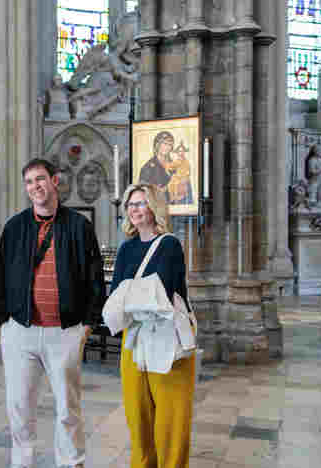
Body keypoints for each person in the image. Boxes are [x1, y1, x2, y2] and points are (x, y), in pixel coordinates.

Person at [0, 158, 107, 468]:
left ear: (55, 181)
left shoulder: (79, 226)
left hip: (64, 331)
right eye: (29, 182)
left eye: (40, 179)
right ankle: (22, 464)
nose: (35, 187)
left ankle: (71, 463)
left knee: (68, 410)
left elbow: (94, 278)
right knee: (19, 408)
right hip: (20, 331)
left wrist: (86, 326)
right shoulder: (15, 227)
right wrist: (5, 321)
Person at [110, 184, 195, 468]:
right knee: (138, 416)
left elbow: (163, 293)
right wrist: (134, 296)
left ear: (154, 207)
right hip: (133, 338)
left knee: (171, 421)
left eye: (141, 203)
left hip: (165, 336)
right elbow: (115, 296)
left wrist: (130, 295)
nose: (134, 209)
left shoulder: (169, 244)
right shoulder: (126, 248)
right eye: (130, 204)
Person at [138, 131, 194, 205]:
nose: (167, 147)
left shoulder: (177, 165)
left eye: (170, 145)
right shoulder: (148, 168)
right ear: (157, 145)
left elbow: (187, 188)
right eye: (164, 144)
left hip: (177, 208)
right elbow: (143, 194)